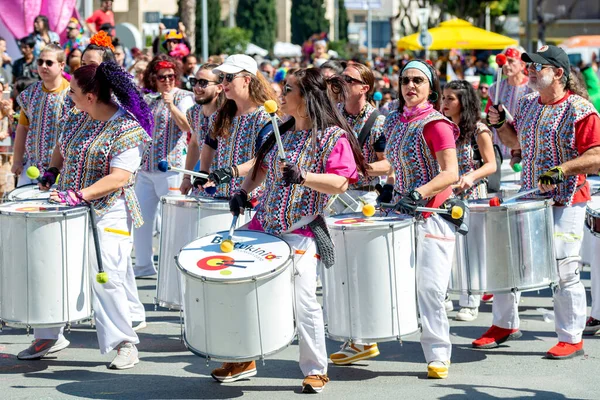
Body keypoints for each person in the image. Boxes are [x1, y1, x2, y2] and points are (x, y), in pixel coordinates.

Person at [212, 68, 367, 394]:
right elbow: (259, 171)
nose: (281, 95)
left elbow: (340, 182)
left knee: (304, 300)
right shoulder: (280, 131)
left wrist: (304, 176)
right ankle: (244, 357)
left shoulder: (332, 138)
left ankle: (315, 370)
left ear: (308, 97)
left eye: (289, 89)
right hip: (263, 226)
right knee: (244, 292)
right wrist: (243, 192)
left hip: (302, 231)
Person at [17, 62, 152, 368]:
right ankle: (48, 335)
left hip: (110, 212)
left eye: (75, 91)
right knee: (49, 268)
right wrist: (52, 172)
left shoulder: (127, 129)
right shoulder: (78, 118)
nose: (70, 96)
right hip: (68, 209)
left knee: (106, 275)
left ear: (91, 96)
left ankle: (124, 342)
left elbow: (119, 177)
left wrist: (80, 194)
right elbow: (61, 149)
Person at [476, 45, 600, 359]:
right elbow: (514, 142)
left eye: (538, 66)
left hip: (567, 200)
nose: (531, 70)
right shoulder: (530, 103)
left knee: (564, 266)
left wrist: (563, 169)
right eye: (529, 65)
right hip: (529, 195)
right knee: (506, 258)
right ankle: (504, 324)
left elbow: (596, 157)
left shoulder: (581, 109)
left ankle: (571, 337)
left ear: (559, 72)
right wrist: (502, 122)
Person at [369, 60, 460, 379]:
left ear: (430, 88)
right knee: (387, 280)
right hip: (399, 212)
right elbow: (395, 165)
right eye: (406, 80)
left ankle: (438, 353)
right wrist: (387, 188)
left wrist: (418, 193)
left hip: (433, 214)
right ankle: (366, 340)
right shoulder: (393, 120)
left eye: (418, 81)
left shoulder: (436, 123)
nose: (410, 86)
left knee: (431, 288)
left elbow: (450, 173)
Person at [133, 55, 194, 278]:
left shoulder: (183, 97)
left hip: (172, 168)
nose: (167, 80)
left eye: (171, 76)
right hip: (146, 168)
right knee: (141, 218)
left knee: (173, 222)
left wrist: (171, 105)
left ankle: (173, 270)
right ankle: (143, 264)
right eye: (162, 77)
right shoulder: (149, 100)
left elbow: (187, 126)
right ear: (154, 79)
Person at [442, 80, 497, 322]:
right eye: (443, 97)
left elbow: (491, 164)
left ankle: (470, 300)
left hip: (473, 196)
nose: (444, 103)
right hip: (446, 196)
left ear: (463, 102)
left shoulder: (479, 130)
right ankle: (444, 297)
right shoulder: (441, 127)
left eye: (450, 98)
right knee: (446, 248)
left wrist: (471, 176)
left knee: (471, 250)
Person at [192, 54, 276, 199]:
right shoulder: (220, 115)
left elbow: (263, 160)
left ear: (246, 80)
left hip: (250, 200)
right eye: (222, 77)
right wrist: (203, 172)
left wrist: (231, 172)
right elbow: (209, 144)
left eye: (229, 77)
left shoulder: (265, 119)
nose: (224, 82)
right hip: (220, 196)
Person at [10, 44, 71, 186]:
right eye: (40, 62)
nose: (43, 66)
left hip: (60, 171)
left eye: (49, 63)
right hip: (31, 168)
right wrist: (17, 160)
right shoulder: (30, 93)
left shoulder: (72, 95)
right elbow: (22, 128)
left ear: (61, 65)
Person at [180, 64, 225, 195]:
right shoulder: (193, 112)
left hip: (226, 185)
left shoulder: (228, 114)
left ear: (219, 88)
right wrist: (187, 178)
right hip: (202, 183)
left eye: (203, 83)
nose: (197, 87)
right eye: (194, 82)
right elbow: (194, 143)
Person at [486, 47, 533, 166]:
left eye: (511, 61)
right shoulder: (495, 89)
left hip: (525, 146)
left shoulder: (532, 88)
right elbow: (489, 116)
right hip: (500, 144)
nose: (506, 64)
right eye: (505, 60)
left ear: (522, 65)